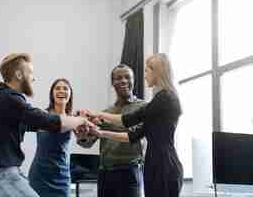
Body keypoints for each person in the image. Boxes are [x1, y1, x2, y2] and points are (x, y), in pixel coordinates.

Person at [0, 53, 92, 197]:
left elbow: (40, 123)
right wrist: (81, 120)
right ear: (19, 75)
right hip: (3, 178)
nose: (33, 78)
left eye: (65, 89)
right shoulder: (8, 98)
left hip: (4, 177)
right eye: (30, 73)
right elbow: (47, 121)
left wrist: (80, 124)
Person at [87, 53, 183, 197]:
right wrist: (100, 133)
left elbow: (128, 120)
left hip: (162, 164)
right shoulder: (159, 101)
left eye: (147, 70)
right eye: (119, 78)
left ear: (157, 71)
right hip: (153, 163)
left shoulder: (163, 100)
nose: (144, 75)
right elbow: (133, 135)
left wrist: (98, 114)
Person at [76, 64, 146, 197]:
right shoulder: (105, 112)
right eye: (119, 78)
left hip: (129, 172)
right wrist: (82, 131)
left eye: (127, 77)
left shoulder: (143, 107)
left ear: (133, 81)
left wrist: (105, 124)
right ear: (113, 83)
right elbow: (87, 143)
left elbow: (133, 134)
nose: (124, 81)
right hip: (105, 173)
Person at [28, 78, 74, 197]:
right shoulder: (42, 115)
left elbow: (83, 140)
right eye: (57, 88)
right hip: (39, 176)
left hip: (61, 176)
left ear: (70, 94)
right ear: (52, 94)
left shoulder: (73, 119)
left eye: (65, 88)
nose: (61, 91)